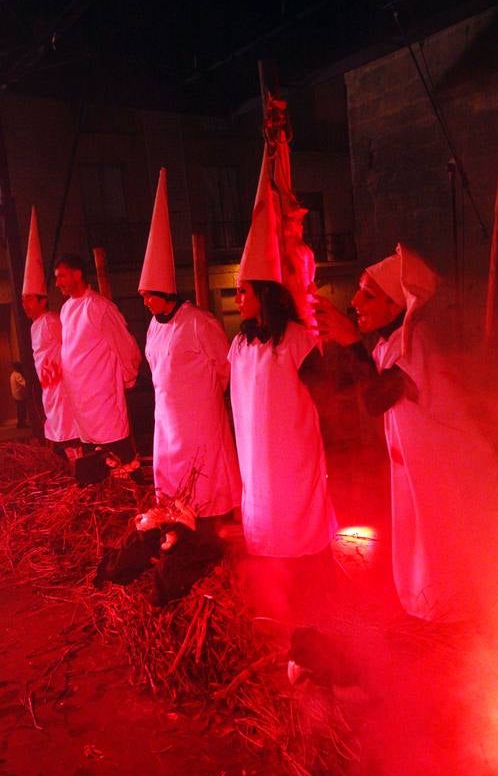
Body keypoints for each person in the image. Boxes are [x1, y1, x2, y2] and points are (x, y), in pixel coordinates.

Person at [315, 243, 494, 621]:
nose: (355, 303)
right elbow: (358, 388)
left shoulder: (416, 342)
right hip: (419, 468)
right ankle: (434, 612)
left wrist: (351, 343)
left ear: (395, 307)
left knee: (445, 547)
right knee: (424, 546)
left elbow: (378, 398)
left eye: (368, 294)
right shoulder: (389, 343)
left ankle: (457, 624)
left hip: (447, 469)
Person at [139, 167, 241, 531]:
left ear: (164, 292)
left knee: (208, 475)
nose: (145, 301)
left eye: (148, 295)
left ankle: (216, 522)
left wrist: (206, 396)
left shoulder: (199, 322)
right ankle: (178, 521)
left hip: (200, 417)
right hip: (168, 417)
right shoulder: (153, 326)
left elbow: (225, 366)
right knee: (174, 478)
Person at [228, 278, 337, 559]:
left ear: (265, 294)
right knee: (263, 508)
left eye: (243, 292)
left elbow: (325, 391)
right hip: (253, 450)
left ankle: (308, 570)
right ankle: (269, 568)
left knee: (294, 510)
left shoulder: (297, 338)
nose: (236, 300)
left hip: (291, 449)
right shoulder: (240, 343)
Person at [55, 254, 141, 469]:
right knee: (93, 462)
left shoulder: (99, 307)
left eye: (62, 276)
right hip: (80, 399)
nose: (57, 283)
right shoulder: (66, 309)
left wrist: (128, 379)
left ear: (77, 274)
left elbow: (125, 346)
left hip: (104, 397)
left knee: (119, 457)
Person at [21, 206, 79, 455]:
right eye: (23, 300)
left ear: (43, 301)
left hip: (64, 391)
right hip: (50, 391)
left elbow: (70, 349)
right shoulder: (35, 326)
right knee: (59, 440)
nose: (25, 305)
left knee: (71, 439)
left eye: (29, 300)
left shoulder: (52, 321)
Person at [9, 362, 27, 428]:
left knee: (20, 409)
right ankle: (21, 423)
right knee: (22, 409)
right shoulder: (17, 375)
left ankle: (21, 423)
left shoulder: (13, 374)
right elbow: (24, 383)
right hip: (20, 395)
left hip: (16, 395)